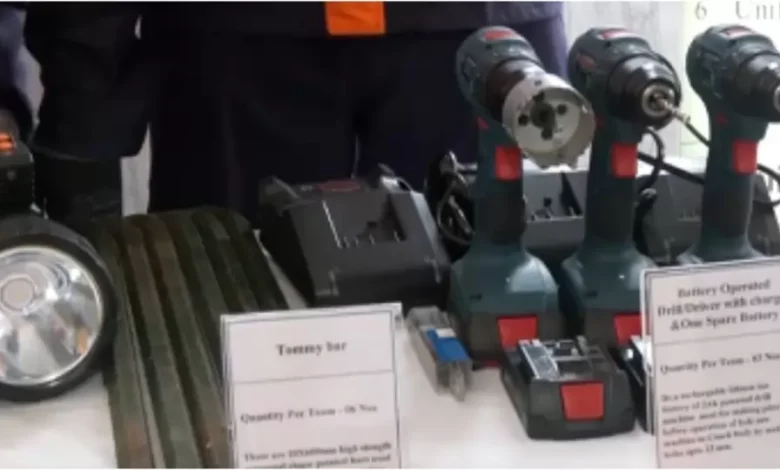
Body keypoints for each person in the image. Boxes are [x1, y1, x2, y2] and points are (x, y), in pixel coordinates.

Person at [23, 3, 568, 225]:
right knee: (233, 334)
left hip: (479, 46)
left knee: (498, 335)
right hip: (239, 53)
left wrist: (81, 108)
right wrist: (81, 99)